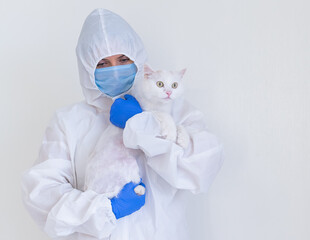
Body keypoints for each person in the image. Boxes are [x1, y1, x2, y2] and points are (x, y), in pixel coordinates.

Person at [21, 8, 223, 240]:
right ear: (87, 68)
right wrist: (107, 209)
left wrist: (143, 125)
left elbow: (204, 164)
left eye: (123, 59)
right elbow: (41, 195)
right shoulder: (69, 121)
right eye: (103, 64)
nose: (115, 70)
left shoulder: (173, 109)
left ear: (138, 59)